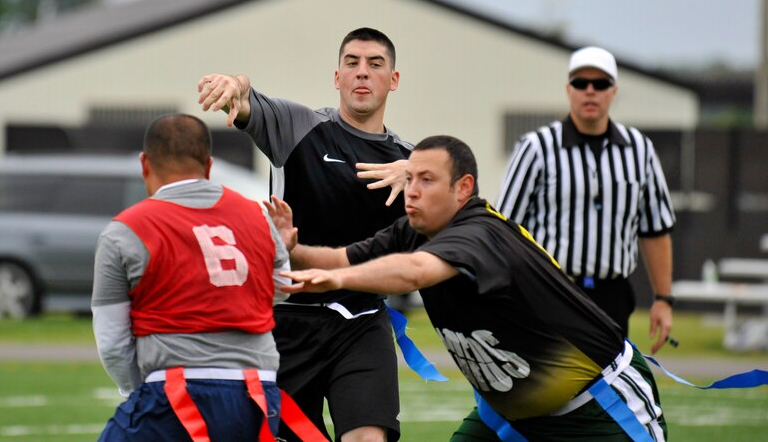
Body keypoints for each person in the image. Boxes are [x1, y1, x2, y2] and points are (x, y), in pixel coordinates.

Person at [272, 135, 668, 442]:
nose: (411, 191)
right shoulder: (414, 229)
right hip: (511, 414)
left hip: (593, 404)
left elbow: (412, 273)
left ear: (463, 188)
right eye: (409, 178)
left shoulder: (479, 233)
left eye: (426, 180)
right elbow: (342, 257)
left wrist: (340, 282)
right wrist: (294, 247)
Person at [197, 27, 412, 442]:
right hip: (287, 322)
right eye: (352, 63)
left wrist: (422, 169)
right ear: (337, 77)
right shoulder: (299, 126)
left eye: (374, 64)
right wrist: (233, 85)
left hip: (362, 322)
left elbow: (464, 195)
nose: (362, 73)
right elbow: (247, 97)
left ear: (394, 80)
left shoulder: (407, 159)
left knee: (368, 438)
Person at [92, 113, 291, 441]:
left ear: (145, 164)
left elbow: (112, 341)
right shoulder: (256, 215)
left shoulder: (125, 230)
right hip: (256, 391)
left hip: (173, 391)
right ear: (209, 166)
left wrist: (137, 389)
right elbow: (283, 285)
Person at [496, 46, 676, 353]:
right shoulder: (536, 147)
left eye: (600, 84)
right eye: (581, 83)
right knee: (551, 391)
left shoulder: (639, 149)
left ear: (614, 91)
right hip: (550, 289)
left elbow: (654, 228)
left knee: (609, 389)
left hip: (612, 294)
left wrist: (663, 299)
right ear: (569, 90)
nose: (590, 91)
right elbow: (504, 227)